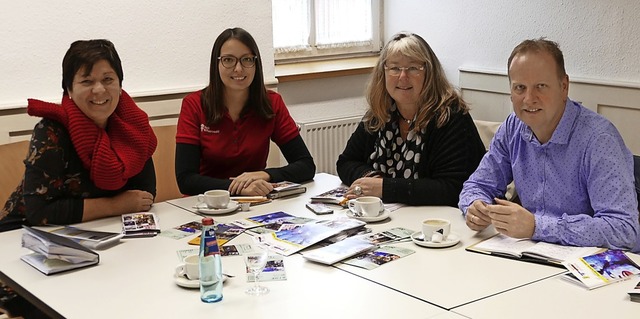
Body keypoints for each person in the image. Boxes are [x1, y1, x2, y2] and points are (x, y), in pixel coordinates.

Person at [0, 39, 157, 317]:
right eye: (87, 80)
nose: (99, 90)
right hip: (24, 247)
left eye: (108, 79)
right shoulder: (51, 131)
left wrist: (123, 205)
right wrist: (116, 205)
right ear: (69, 89)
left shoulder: (133, 125)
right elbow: (39, 212)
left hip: (99, 244)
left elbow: (145, 194)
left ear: (120, 83)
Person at [458, 38, 639, 251]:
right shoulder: (512, 127)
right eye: (519, 88)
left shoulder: (599, 139)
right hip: (530, 256)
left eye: (541, 87)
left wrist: (536, 226)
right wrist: (475, 206)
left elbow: (624, 230)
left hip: (590, 268)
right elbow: (477, 185)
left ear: (564, 87)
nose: (529, 98)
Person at [336, 32, 486, 206]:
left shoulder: (451, 117)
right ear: (383, 73)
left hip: (443, 221)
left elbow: (452, 188)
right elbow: (346, 162)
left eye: (413, 68)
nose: (402, 77)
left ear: (429, 73)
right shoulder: (381, 113)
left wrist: (385, 188)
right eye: (394, 68)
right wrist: (372, 179)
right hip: (399, 215)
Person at [175, 27, 315, 196]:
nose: (239, 69)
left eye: (247, 59)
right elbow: (186, 180)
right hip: (206, 205)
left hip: (256, 203)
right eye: (228, 60)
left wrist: (265, 174)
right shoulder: (194, 104)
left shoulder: (272, 103)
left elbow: (306, 165)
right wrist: (238, 187)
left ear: (256, 63)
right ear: (216, 64)